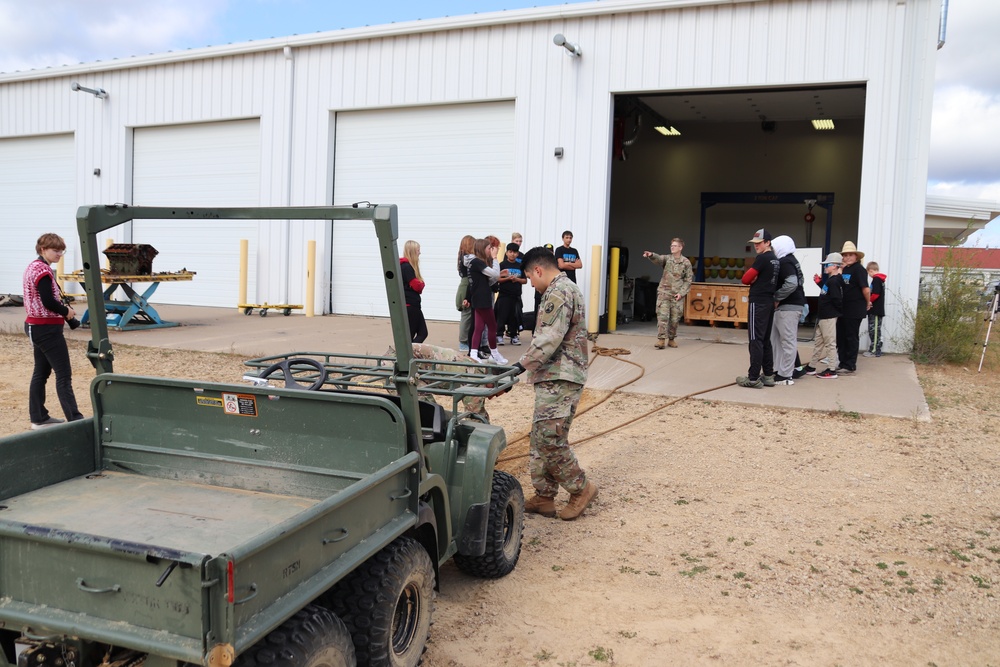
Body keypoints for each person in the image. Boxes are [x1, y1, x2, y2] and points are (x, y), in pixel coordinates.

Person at [514, 246, 597, 521]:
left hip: (561, 375)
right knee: (540, 438)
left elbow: (549, 337)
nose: (532, 285)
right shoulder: (562, 288)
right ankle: (544, 497)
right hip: (552, 375)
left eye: (530, 278)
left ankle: (581, 488)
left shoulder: (559, 291)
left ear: (538, 270)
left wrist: (519, 365)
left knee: (549, 438)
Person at [23, 233, 85, 429]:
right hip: (46, 328)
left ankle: (39, 418)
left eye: (61, 250)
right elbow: (48, 301)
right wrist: (67, 311)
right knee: (64, 374)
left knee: (41, 373)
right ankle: (75, 420)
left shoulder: (33, 266)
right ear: (43, 249)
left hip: (36, 326)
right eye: (55, 250)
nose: (59, 254)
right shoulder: (42, 270)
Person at [736, 229, 779, 388]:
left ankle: (753, 378)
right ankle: (768, 375)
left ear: (767, 242)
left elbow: (745, 279)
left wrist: (754, 278)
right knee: (765, 340)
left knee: (755, 340)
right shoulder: (775, 259)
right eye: (755, 244)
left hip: (758, 301)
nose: (756, 246)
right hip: (769, 300)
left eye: (759, 243)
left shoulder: (762, 259)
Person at [642, 237, 693, 349]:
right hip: (664, 293)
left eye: (675, 246)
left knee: (675, 319)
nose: (672, 247)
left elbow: (688, 280)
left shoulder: (686, 263)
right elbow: (659, 259)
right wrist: (651, 255)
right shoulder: (667, 259)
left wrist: (681, 293)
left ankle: (671, 339)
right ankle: (661, 340)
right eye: (671, 245)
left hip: (677, 296)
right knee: (662, 318)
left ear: (680, 247)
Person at [769, 235, 807, 384]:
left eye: (774, 247)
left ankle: (785, 375)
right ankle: (781, 371)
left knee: (787, 341)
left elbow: (792, 283)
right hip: (791, 305)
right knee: (780, 340)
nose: (772, 250)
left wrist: (777, 297)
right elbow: (801, 280)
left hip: (788, 307)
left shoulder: (785, 262)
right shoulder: (793, 261)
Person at [465, 238, 507, 364]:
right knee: (492, 326)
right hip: (482, 299)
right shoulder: (477, 262)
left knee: (479, 327)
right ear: (483, 249)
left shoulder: (475, 263)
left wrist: (499, 274)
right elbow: (494, 274)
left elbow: (488, 280)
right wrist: (495, 259)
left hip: (479, 298)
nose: (491, 251)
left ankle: (473, 354)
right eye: (489, 248)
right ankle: (494, 354)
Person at [803, 253, 845, 378]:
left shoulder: (835, 281)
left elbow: (837, 299)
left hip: (828, 317)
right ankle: (812, 366)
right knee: (818, 342)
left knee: (830, 343)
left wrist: (835, 313)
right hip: (823, 317)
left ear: (835, 266)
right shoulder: (831, 281)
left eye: (827, 265)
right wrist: (820, 283)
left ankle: (831, 369)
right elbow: (828, 294)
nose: (825, 267)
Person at [836, 241, 870, 374]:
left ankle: (850, 364)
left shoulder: (859, 269)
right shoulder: (845, 269)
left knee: (851, 336)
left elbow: (865, 289)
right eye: (845, 255)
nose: (848, 257)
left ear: (856, 257)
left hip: (854, 308)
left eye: (851, 255)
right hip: (842, 308)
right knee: (841, 336)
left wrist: (868, 302)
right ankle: (842, 362)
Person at [495, 243, 526, 345]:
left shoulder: (520, 266)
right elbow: (497, 279)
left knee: (514, 317)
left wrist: (516, 279)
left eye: (515, 252)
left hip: (516, 295)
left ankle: (514, 335)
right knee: (502, 316)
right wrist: (508, 278)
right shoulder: (502, 265)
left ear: (518, 254)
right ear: (507, 253)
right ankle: (499, 335)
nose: (512, 254)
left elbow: (525, 280)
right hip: (504, 295)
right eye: (510, 252)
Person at [400, 240, 428, 343]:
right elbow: (417, 286)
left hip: (413, 305)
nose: (419, 253)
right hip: (410, 306)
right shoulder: (407, 267)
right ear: (412, 252)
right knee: (415, 334)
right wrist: (422, 283)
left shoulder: (405, 266)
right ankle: (408, 355)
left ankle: (410, 353)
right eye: (418, 250)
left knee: (422, 333)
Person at [456, 235, 476, 352]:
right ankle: (463, 341)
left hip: (466, 284)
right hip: (466, 285)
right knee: (466, 315)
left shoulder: (463, 256)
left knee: (468, 315)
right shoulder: (466, 258)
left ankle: (466, 339)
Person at [865, 261, 887, 357]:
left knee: (874, 330)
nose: (869, 275)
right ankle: (872, 348)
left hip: (876, 310)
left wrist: (869, 301)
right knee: (872, 329)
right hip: (873, 310)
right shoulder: (877, 280)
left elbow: (876, 294)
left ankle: (875, 350)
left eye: (869, 272)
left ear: (871, 271)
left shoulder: (877, 280)